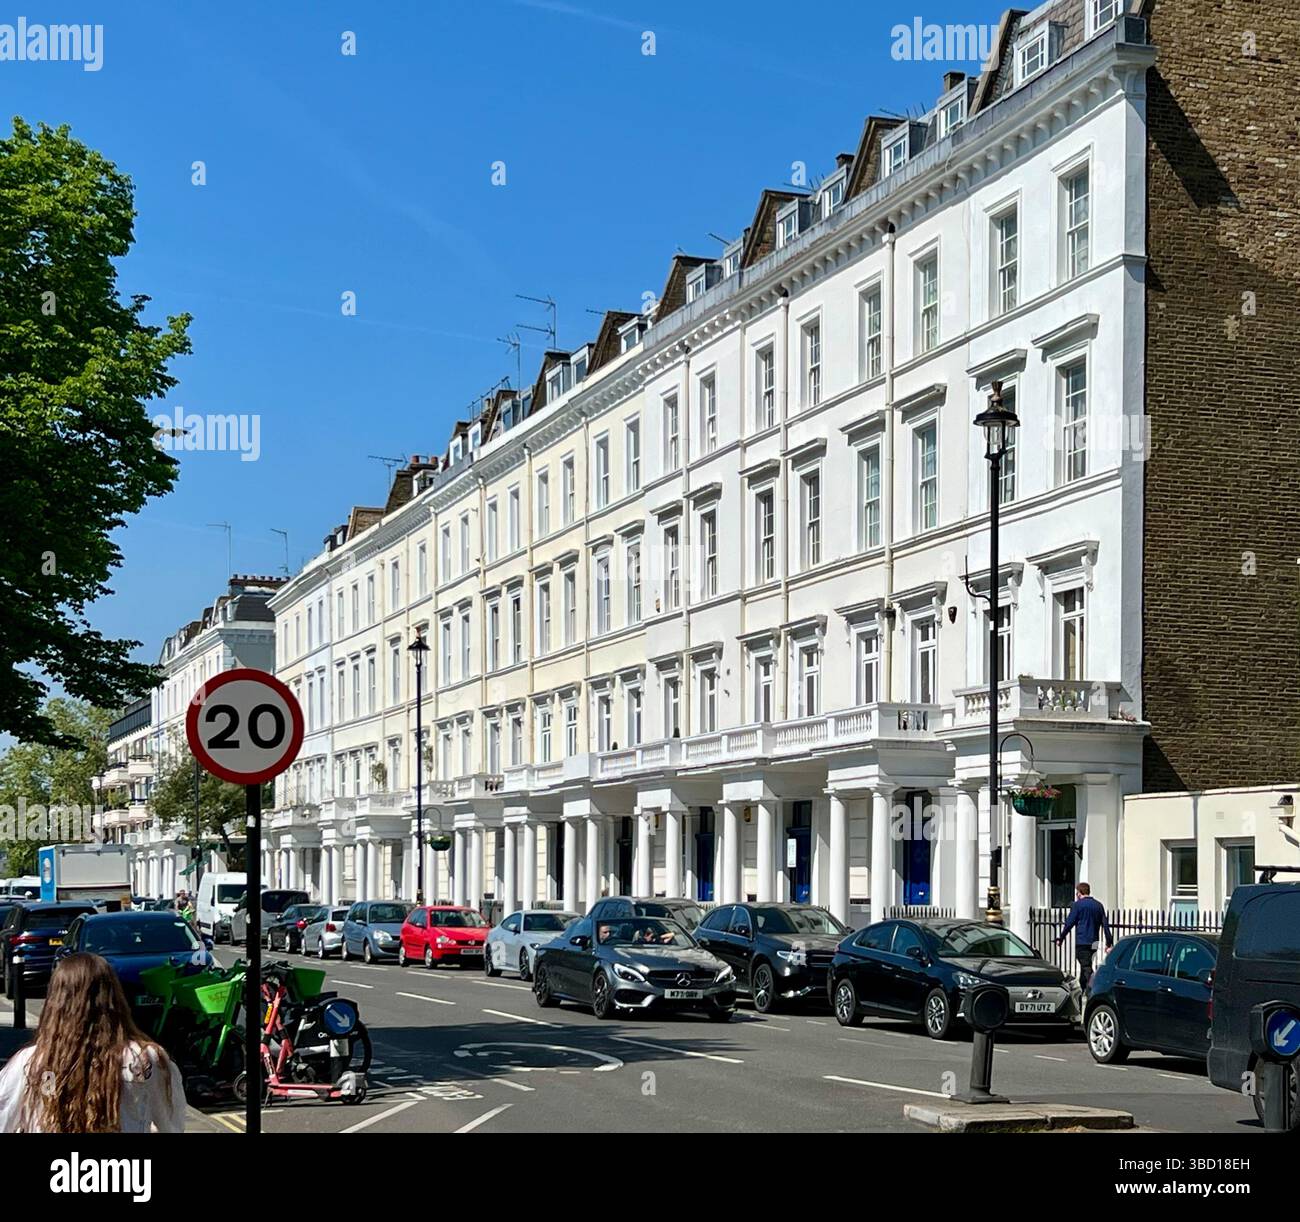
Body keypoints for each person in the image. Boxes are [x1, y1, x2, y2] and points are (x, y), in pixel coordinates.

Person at [0, 952, 187, 1133]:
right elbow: (171, 1124)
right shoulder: (145, 1059)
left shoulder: (31, 1062)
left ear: (55, 1002)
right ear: (113, 998)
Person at [1056, 882, 1113, 991]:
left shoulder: (1078, 905)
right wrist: (1108, 942)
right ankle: (1082, 988)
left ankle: (1093, 988)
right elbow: (1105, 925)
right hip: (1094, 941)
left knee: (1086, 967)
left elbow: (1069, 923)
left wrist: (1061, 937)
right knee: (1086, 964)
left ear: (1079, 893)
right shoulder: (1098, 905)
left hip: (1082, 941)